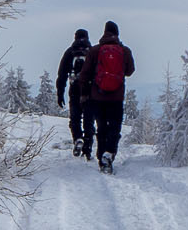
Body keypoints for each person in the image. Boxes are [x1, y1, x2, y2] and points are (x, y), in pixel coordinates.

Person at [81, 20, 134, 173]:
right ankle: (109, 154)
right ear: (117, 33)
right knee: (115, 128)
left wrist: (85, 93)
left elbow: (85, 74)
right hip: (116, 97)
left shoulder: (94, 50)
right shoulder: (124, 51)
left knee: (102, 128)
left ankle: (101, 159)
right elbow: (130, 71)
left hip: (97, 97)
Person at [55, 28, 94, 158]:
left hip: (74, 89)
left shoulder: (70, 52)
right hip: (89, 90)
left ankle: (77, 138)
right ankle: (87, 149)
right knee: (89, 120)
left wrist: (60, 93)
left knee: (75, 118)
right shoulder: (93, 52)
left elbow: (61, 74)